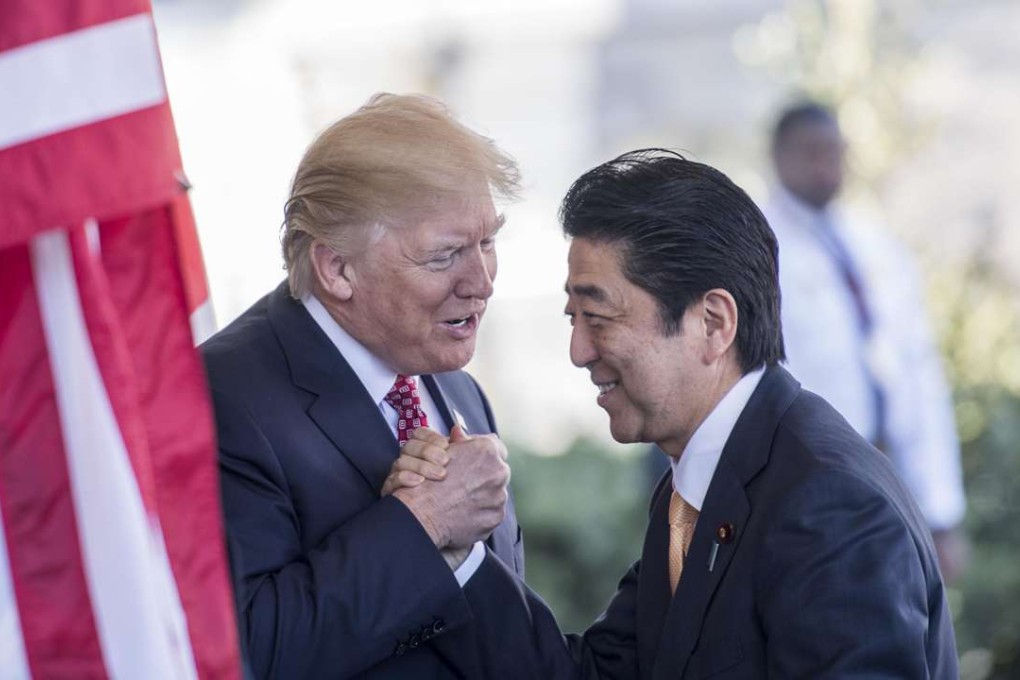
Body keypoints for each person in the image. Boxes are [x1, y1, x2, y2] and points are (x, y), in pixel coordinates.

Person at [387, 149, 959, 678]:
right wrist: (457, 554)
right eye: (572, 318)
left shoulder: (829, 504)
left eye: (598, 316)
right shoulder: (696, 485)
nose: (579, 351)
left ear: (712, 322)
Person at [202, 93, 524, 678]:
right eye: (445, 254)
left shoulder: (455, 384)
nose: (481, 282)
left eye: (487, 243)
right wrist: (421, 525)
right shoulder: (221, 398)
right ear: (337, 269)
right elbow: (247, 652)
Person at [762, 101, 968, 581]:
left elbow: (919, 380)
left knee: (906, 628)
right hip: (807, 484)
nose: (826, 166)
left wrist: (940, 513)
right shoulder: (757, 249)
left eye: (835, 152)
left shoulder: (876, 246)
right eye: (811, 152)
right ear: (778, 155)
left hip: (889, 477)